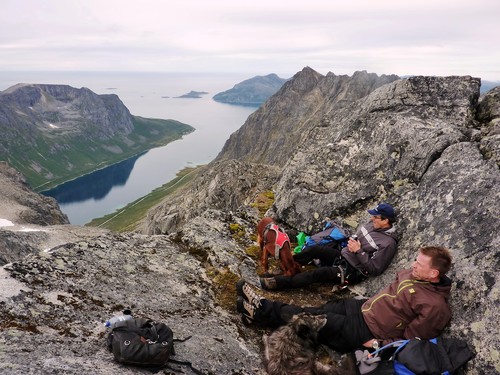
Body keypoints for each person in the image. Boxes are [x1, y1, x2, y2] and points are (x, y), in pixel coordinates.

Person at [237, 246, 452, 354]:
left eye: (419, 264)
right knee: (315, 311)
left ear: (434, 274)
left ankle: (259, 311)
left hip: (370, 331)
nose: (413, 265)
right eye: (415, 260)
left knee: (315, 321)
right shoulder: (411, 274)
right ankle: (264, 310)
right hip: (362, 308)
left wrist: (379, 345)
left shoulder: (435, 307)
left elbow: (412, 341)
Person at [260, 203, 399, 290]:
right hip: (343, 255)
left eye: (375, 217)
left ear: (385, 220)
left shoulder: (388, 244)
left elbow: (375, 269)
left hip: (352, 270)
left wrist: (359, 251)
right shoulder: (371, 225)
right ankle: (286, 267)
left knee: (319, 274)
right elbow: (357, 236)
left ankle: (277, 283)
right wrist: (353, 244)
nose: (371, 219)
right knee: (315, 249)